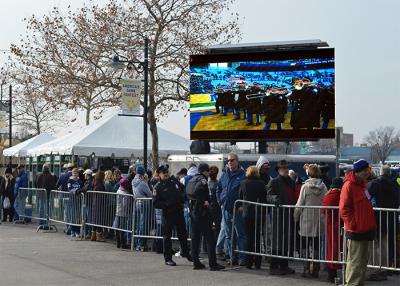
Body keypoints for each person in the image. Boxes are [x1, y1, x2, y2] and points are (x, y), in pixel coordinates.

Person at [339, 159, 377, 286]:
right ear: (359, 172)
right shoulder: (349, 186)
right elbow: (344, 209)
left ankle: (357, 283)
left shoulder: (361, 185)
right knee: (355, 262)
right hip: (356, 230)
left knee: (361, 262)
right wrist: (353, 224)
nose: (368, 173)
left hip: (364, 229)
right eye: (366, 170)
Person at [186, 163, 225, 271]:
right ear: (204, 171)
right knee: (209, 238)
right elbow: (198, 192)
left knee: (195, 238)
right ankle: (213, 264)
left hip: (193, 212)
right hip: (202, 213)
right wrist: (204, 201)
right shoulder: (202, 180)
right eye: (208, 171)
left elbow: (187, 192)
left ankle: (196, 262)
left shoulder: (192, 179)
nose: (209, 173)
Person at [153, 165, 192, 266]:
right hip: (168, 213)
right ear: (159, 174)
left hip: (179, 212)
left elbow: (183, 189)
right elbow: (155, 203)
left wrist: (183, 198)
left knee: (183, 234)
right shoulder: (158, 187)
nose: (166, 174)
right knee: (167, 237)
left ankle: (186, 253)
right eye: (163, 172)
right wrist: (167, 204)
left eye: (167, 172)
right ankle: (168, 259)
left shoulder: (173, 181)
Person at [366, 164, 400, 280]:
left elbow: (366, 195)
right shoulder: (395, 184)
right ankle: (385, 268)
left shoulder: (375, 183)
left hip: (378, 218)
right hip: (391, 219)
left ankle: (375, 269)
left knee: (374, 245)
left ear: (380, 172)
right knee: (385, 244)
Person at [294, 164, 327, 278]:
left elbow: (299, 204)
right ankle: (316, 269)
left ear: (308, 173)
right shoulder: (324, 187)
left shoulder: (305, 187)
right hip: (319, 221)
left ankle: (306, 268)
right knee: (317, 245)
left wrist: (295, 217)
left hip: (306, 220)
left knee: (304, 245)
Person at [266, 160, 296, 275]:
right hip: (278, 215)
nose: (286, 170)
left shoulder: (291, 181)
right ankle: (273, 267)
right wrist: (275, 199)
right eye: (283, 168)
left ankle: (284, 266)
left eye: (286, 168)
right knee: (277, 241)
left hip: (289, 214)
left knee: (285, 241)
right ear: (278, 170)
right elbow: (268, 195)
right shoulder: (273, 182)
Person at [217, 152, 247, 266]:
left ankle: (242, 257)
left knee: (240, 234)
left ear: (237, 161)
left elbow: (246, 193)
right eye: (228, 160)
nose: (229, 162)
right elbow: (218, 189)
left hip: (237, 210)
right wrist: (221, 202)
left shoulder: (243, 175)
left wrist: (242, 206)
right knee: (229, 235)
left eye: (232, 160)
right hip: (225, 210)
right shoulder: (224, 175)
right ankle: (231, 256)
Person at [238, 165, 267, 269]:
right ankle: (258, 262)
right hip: (259, 213)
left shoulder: (243, 183)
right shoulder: (261, 183)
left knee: (248, 237)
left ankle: (248, 262)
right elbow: (264, 198)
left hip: (247, 213)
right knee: (257, 237)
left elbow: (240, 197)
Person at [321, 177, 344, 283]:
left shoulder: (330, 195)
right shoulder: (340, 195)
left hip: (332, 226)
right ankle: (336, 274)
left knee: (332, 250)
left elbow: (324, 210)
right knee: (339, 250)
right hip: (340, 225)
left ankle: (332, 274)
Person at [132, 166, 153, 251]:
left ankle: (137, 243)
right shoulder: (143, 183)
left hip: (137, 202)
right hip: (144, 203)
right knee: (143, 224)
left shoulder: (133, 181)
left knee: (138, 224)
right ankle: (141, 244)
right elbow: (149, 194)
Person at [114, 178, 131, 249]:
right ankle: (123, 243)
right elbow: (125, 204)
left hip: (118, 211)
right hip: (123, 211)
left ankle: (118, 242)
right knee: (122, 228)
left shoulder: (118, 190)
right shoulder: (125, 193)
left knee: (117, 227)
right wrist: (128, 209)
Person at [67, 168, 83, 238]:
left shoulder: (80, 181)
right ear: (72, 173)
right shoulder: (70, 180)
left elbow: (81, 188)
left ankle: (78, 231)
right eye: (74, 173)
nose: (75, 174)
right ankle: (72, 231)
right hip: (73, 201)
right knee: (73, 217)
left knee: (78, 217)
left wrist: (79, 191)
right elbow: (69, 189)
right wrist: (76, 191)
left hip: (79, 201)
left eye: (76, 173)